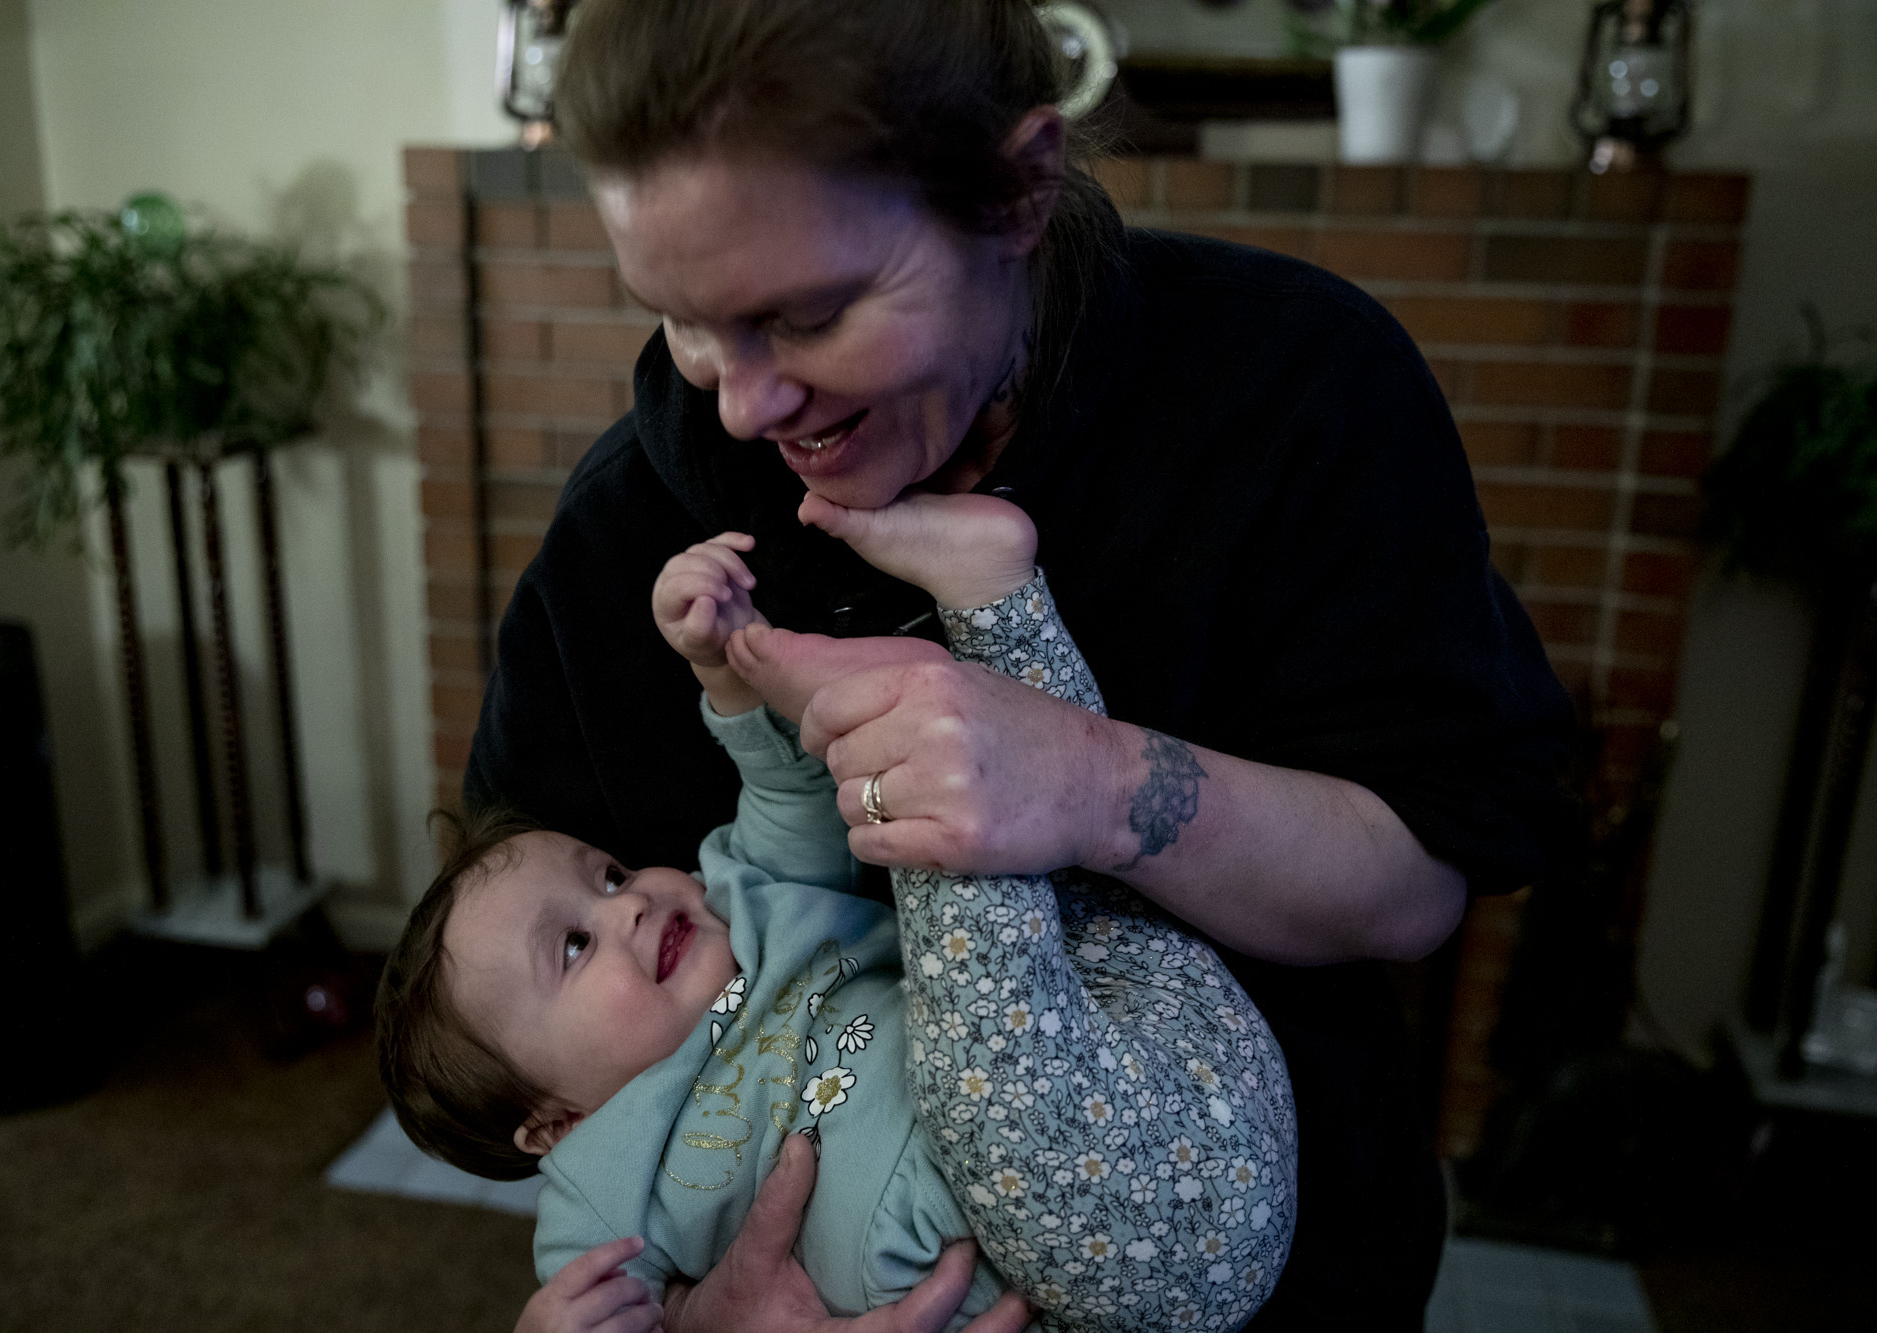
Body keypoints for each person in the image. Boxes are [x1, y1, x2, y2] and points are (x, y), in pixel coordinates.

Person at [477, 1, 1576, 1329]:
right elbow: (516, 1038)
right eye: (683, 321)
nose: (741, 403)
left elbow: (1418, 882)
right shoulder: (627, 538)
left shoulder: (1298, 389)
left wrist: (1095, 782)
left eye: (810, 314)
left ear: (1018, 187)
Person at [381, 493, 1297, 1331]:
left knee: (1003, 847)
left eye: (611, 874)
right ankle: (989, 613)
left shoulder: (748, 901)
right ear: (551, 1124)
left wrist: (728, 665)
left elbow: (780, 795)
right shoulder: (599, 1188)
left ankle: (964, 640)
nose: (626, 907)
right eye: (574, 945)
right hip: (1085, 1263)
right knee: (998, 855)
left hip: (1132, 1094)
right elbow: (618, 1314)